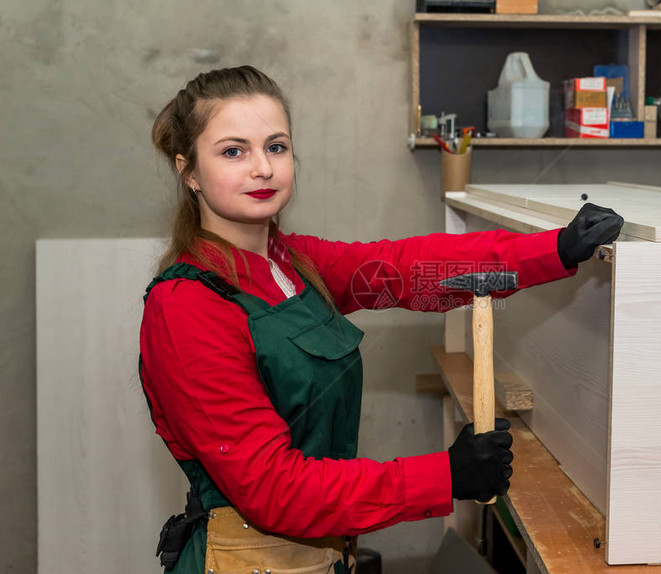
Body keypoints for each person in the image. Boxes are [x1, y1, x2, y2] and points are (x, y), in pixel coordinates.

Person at [139, 65, 623, 574]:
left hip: (321, 554)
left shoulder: (290, 263)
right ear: (188, 170)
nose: (262, 168)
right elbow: (272, 489)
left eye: (276, 147)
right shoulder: (186, 306)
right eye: (233, 151)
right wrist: (444, 476)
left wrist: (554, 249)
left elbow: (403, 268)